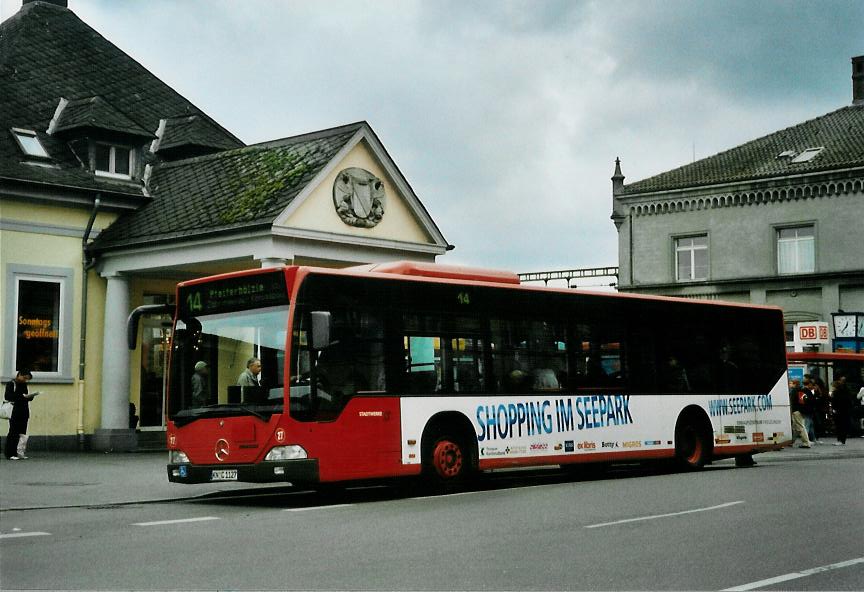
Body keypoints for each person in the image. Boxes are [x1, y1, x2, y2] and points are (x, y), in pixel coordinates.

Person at [4, 369, 38, 460]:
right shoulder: (11, 384)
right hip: (14, 411)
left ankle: (20, 452)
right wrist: (22, 397)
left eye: (27, 379)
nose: (25, 380)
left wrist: (30, 397)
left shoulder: (24, 385)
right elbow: (8, 396)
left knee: (22, 433)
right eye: (24, 378)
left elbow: (27, 397)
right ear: (19, 375)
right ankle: (10, 453)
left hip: (24, 411)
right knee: (13, 432)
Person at [788, 378, 812, 448]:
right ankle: (791, 441)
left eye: (791, 383)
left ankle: (806, 443)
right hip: (800, 410)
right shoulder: (801, 390)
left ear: (795, 384)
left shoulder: (795, 391)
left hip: (796, 410)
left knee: (800, 426)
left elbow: (792, 402)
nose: (790, 385)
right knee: (796, 427)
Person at [830, 376, 853, 446]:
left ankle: (840, 440)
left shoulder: (836, 393)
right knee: (843, 426)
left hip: (838, 411)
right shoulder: (846, 392)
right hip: (845, 411)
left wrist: (833, 408)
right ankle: (842, 440)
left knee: (839, 426)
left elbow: (834, 402)